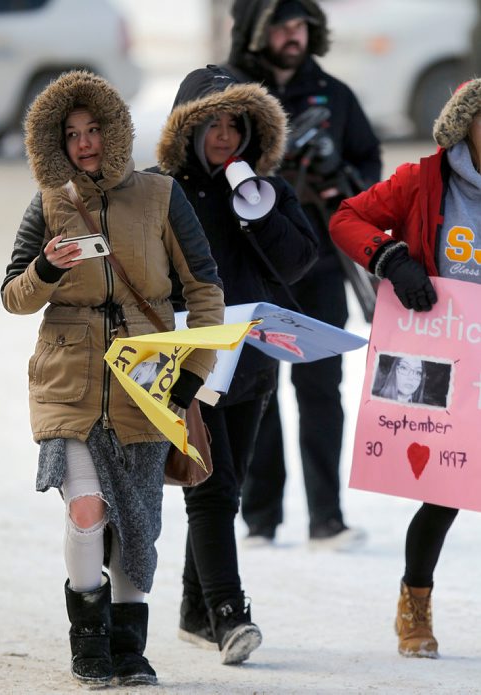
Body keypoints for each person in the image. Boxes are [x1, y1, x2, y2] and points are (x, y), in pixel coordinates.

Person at [0, 70, 225, 687]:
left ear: (115, 129)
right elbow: (13, 297)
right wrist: (45, 268)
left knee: (138, 522)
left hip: (146, 378)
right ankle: (89, 643)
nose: (84, 143)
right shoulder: (47, 200)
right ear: (56, 142)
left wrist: (192, 373)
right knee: (87, 511)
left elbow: (205, 290)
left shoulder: (160, 196)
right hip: (67, 375)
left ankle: (129, 647)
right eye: (71, 134)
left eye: (94, 129)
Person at [153, 64, 318, 663]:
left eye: (235, 124)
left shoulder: (265, 190)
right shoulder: (160, 190)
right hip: (192, 360)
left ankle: (194, 610)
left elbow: (299, 261)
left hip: (252, 362)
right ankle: (228, 613)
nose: (224, 136)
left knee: (231, 486)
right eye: (211, 124)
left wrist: (258, 210)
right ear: (186, 130)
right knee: (213, 489)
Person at [329, 77, 481, 658]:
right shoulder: (424, 179)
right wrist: (392, 259)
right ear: (466, 123)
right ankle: (415, 603)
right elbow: (347, 218)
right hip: (438, 353)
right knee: (446, 489)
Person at [225, 0, 382, 549]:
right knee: (253, 391)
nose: (293, 36)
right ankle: (260, 519)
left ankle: (326, 519)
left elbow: (370, 169)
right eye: (281, 26)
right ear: (255, 32)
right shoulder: (228, 93)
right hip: (252, 272)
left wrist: (341, 176)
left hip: (317, 268)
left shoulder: (335, 95)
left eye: (301, 26)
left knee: (320, 389)